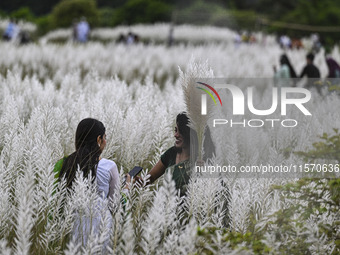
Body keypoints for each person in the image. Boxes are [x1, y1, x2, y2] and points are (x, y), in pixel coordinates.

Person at [54, 118, 130, 246]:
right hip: (101, 233)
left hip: (71, 235)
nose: (105, 142)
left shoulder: (64, 164)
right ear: (98, 139)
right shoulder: (109, 166)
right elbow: (115, 206)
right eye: (104, 138)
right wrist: (127, 186)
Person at [144, 112, 214, 197]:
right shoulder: (171, 153)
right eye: (176, 130)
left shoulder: (204, 159)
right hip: (166, 207)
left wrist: (205, 173)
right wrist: (135, 180)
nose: (175, 135)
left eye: (181, 132)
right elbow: (149, 179)